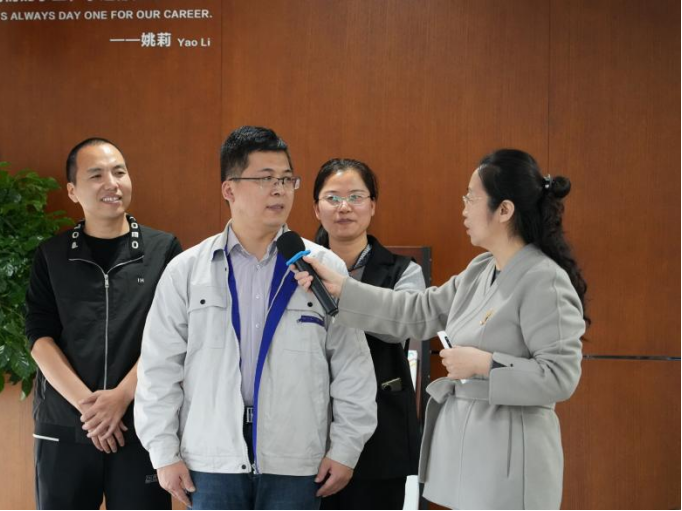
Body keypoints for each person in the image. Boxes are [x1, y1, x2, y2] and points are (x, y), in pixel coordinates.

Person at [294, 149, 588, 509]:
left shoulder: (544, 279)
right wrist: (343, 289)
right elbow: (418, 311)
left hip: (515, 456)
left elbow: (560, 376)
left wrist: (485, 364)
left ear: (504, 210)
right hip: (471, 449)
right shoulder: (481, 269)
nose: (463, 208)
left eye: (471, 197)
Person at [134, 126, 378, 510]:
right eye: (265, 179)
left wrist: (346, 448)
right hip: (210, 459)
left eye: (286, 179)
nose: (279, 190)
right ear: (229, 189)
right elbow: (159, 368)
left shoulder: (322, 267)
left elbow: (352, 367)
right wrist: (163, 452)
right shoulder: (187, 270)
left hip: (296, 459)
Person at [25, 138, 181, 510]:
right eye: (96, 175)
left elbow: (174, 337)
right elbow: (39, 338)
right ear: (73, 190)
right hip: (66, 426)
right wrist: (91, 409)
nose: (112, 183)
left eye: (119, 172)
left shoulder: (163, 250)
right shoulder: (52, 255)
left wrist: (121, 398)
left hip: (140, 425)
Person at [312, 158, 425, 510]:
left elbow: (401, 327)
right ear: (316, 208)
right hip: (309, 424)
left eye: (356, 197)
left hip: (383, 432)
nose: (344, 207)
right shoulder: (297, 266)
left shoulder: (404, 271)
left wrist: (343, 294)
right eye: (332, 198)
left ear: (373, 206)